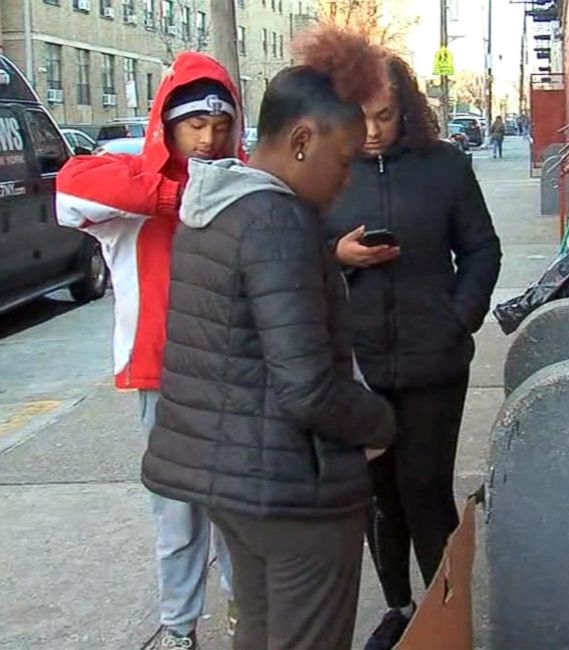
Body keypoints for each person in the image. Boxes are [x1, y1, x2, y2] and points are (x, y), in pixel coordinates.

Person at [141, 25, 396, 650]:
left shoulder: (215, 208)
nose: (346, 182)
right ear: (303, 140)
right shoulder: (277, 220)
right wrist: (381, 421)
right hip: (292, 492)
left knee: (257, 634)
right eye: (343, 162)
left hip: (230, 482)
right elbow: (308, 388)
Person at [56, 52, 243, 649]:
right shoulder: (133, 196)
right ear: (168, 126)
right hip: (163, 375)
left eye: (221, 126)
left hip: (238, 374)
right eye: (195, 126)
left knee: (239, 508)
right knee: (178, 513)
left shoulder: (244, 189)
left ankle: (248, 613)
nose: (210, 139)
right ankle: (179, 626)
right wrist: (171, 195)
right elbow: (70, 187)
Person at [325, 55, 502, 650]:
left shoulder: (446, 167)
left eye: (386, 116)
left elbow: (481, 250)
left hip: (434, 361)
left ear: (407, 110)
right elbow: (288, 253)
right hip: (358, 366)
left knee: (426, 489)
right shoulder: (328, 172)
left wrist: (460, 316)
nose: (373, 131)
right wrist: (337, 258)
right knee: (379, 496)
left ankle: (446, 617)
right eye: (360, 118)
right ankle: (399, 608)